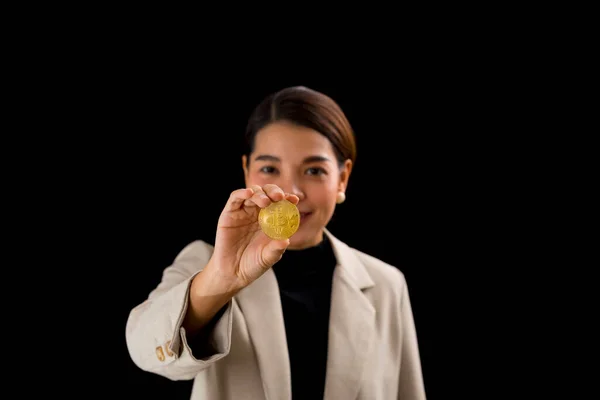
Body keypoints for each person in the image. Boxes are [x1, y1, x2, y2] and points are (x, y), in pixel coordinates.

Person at [125, 86, 426, 400]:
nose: (291, 191)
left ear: (342, 178)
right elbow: (144, 349)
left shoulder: (387, 284)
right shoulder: (203, 263)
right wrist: (221, 279)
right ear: (246, 171)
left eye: (314, 170)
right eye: (269, 169)